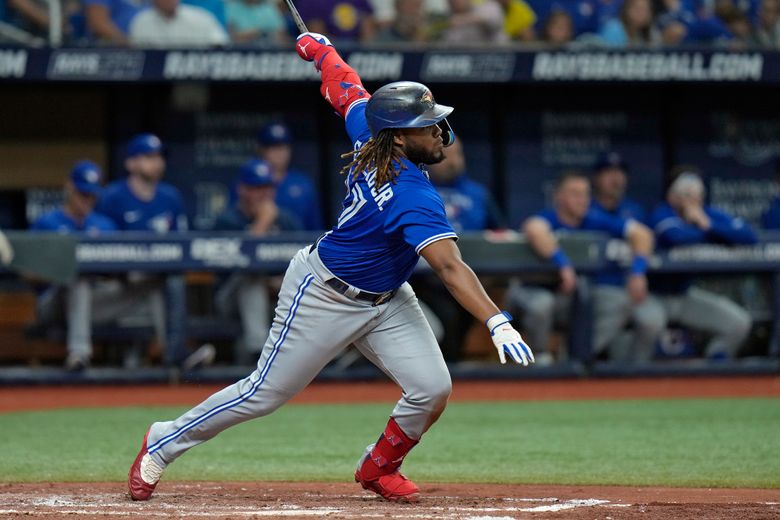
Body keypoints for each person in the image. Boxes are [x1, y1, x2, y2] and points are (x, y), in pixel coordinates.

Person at [128, 31, 534, 504]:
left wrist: (320, 50)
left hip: (386, 297)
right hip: (324, 292)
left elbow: (346, 87)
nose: (439, 133)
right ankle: (163, 439)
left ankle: (380, 467)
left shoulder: (371, 132)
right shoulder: (413, 196)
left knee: (432, 387)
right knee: (265, 393)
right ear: (400, 137)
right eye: (427, 126)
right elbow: (448, 267)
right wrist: (496, 319)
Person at [506, 171, 657, 364]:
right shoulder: (549, 218)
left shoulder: (593, 219)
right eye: (575, 194)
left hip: (572, 297)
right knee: (541, 304)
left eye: (585, 194)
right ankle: (539, 359)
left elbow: (642, 234)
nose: (582, 200)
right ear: (558, 196)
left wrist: (638, 272)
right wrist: (563, 264)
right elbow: (534, 229)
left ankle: (574, 357)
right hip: (533, 291)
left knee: (618, 301)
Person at [96, 133, 192, 367]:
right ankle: (175, 354)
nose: (156, 162)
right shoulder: (112, 197)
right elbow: (98, 249)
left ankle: (174, 354)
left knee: (170, 279)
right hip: (120, 284)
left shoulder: (171, 197)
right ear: (130, 163)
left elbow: (183, 247)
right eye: (148, 156)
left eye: (159, 156)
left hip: (155, 282)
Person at [648, 168, 756, 359]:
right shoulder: (661, 213)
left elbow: (749, 236)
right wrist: (713, 235)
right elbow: (676, 237)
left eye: (697, 194)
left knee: (738, 323)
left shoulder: (705, 214)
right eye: (686, 194)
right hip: (654, 296)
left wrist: (708, 225)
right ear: (672, 195)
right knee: (647, 323)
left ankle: (715, 369)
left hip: (685, 295)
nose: (693, 200)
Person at [418, 138, 506, 362]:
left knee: (467, 309)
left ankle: (452, 368)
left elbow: (500, 234)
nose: (454, 162)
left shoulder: (477, 193)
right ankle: (445, 368)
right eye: (447, 155)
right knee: (446, 317)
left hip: (466, 273)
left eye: (459, 154)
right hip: (422, 281)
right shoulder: (416, 188)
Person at [213, 159, 303, 365]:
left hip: (278, 296)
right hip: (231, 299)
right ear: (242, 190)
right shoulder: (227, 220)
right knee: (252, 277)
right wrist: (263, 222)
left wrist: (279, 283)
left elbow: (305, 264)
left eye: (267, 187)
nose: (264, 194)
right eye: (256, 188)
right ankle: (259, 357)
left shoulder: (286, 220)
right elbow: (238, 265)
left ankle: (328, 356)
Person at [29, 161, 117, 370]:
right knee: (77, 275)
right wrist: (60, 269)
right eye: (83, 194)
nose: (87, 200)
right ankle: (79, 353)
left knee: (148, 280)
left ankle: (175, 355)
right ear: (69, 187)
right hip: (52, 302)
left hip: (95, 301)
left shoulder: (105, 225)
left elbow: (119, 270)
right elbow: (27, 273)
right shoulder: (46, 223)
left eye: (92, 195)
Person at [256, 121, 324, 231]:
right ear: (261, 150)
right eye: (273, 147)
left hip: (298, 246)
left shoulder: (303, 184)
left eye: (283, 147)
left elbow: (314, 229)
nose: (279, 153)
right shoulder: (249, 183)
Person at [129, 0, 229, 47]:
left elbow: (221, 44)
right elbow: (138, 54)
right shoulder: (141, 21)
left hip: (195, 79)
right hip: (150, 82)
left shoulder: (201, 17)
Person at [590, 151, 647, 223]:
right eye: (609, 173)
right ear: (596, 178)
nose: (615, 179)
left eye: (620, 173)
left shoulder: (635, 211)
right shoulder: (585, 208)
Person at [440, 0, 509, 44]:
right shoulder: (449, 19)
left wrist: (465, 19)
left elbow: (494, 20)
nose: (455, 2)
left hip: (498, 57)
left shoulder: (488, 6)